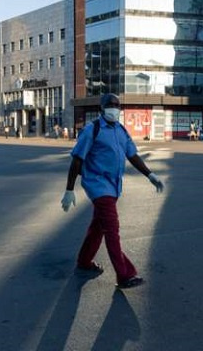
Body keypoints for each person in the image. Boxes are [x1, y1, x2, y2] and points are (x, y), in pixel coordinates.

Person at [61, 93, 164, 289]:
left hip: (113, 186)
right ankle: (124, 275)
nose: (114, 108)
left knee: (98, 227)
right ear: (102, 107)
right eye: (110, 104)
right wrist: (69, 189)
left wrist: (150, 175)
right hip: (98, 187)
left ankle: (84, 262)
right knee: (112, 229)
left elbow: (132, 155)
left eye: (117, 105)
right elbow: (77, 159)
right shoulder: (93, 129)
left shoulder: (120, 130)